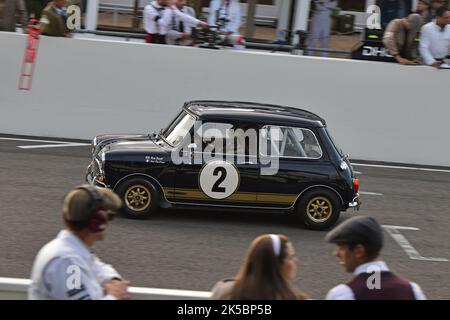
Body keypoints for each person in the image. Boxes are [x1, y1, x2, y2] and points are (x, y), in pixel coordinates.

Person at [29, 185, 130, 300]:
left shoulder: (72, 251)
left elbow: (95, 266)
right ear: (98, 222)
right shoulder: (66, 262)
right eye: (109, 217)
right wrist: (115, 296)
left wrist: (113, 280)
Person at [325, 216, 426, 300]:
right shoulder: (412, 290)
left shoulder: (341, 295)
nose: (336, 253)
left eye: (341, 247)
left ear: (359, 251)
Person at [211, 234, 307, 300]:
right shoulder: (293, 297)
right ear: (277, 265)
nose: (296, 260)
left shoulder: (223, 291)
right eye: (291, 257)